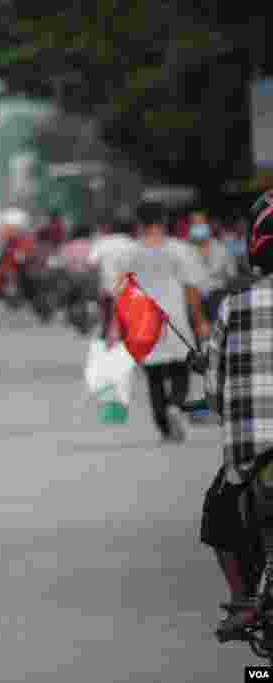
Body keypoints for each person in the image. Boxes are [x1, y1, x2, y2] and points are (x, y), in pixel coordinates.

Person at [196, 190, 273, 641]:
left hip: (253, 457)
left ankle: (243, 601)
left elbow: (214, 391)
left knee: (219, 512)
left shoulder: (234, 306)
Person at [116, 202, 208, 442]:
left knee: (154, 376)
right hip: (175, 316)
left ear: (139, 222)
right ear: (164, 221)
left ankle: (165, 428)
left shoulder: (129, 254)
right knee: (180, 368)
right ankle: (176, 405)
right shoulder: (179, 250)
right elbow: (191, 287)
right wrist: (198, 319)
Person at [187, 216, 238, 323]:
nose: (198, 227)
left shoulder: (222, 249)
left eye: (200, 224)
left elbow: (232, 275)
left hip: (218, 298)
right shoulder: (185, 250)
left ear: (208, 226)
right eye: (195, 224)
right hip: (194, 300)